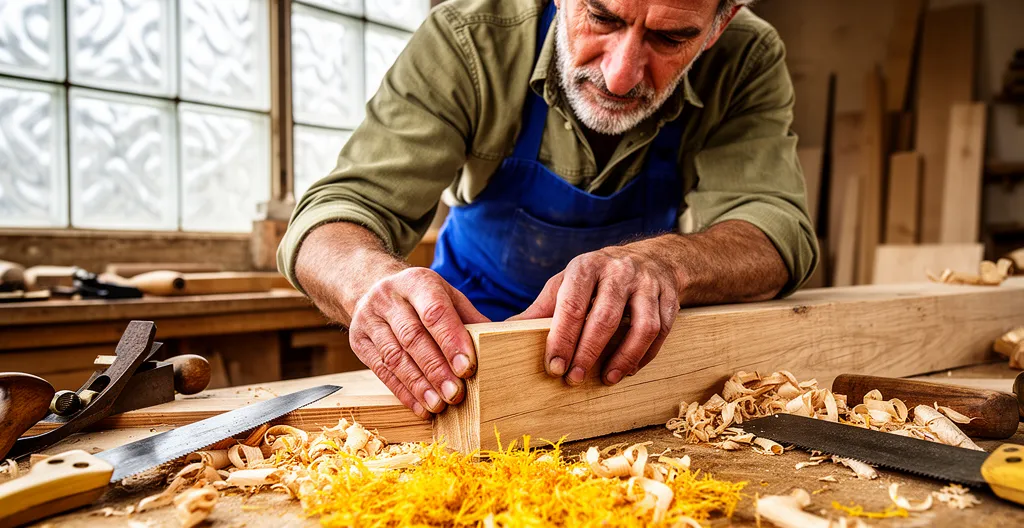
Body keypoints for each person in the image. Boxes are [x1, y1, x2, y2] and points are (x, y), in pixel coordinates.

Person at [278, 0, 819, 420]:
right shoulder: (469, 38)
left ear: (719, 26)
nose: (621, 75)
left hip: (625, 359)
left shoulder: (745, 57)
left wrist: (667, 263)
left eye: (670, 38)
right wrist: (368, 282)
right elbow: (334, 214)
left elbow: (777, 231)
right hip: (463, 348)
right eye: (602, 18)